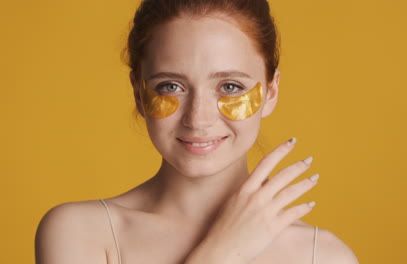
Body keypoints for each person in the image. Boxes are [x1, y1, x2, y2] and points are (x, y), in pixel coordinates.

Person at [35, 0, 359, 263]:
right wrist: (220, 253)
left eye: (230, 86)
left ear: (271, 92)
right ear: (138, 93)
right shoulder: (81, 232)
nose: (198, 119)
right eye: (171, 86)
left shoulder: (324, 256)